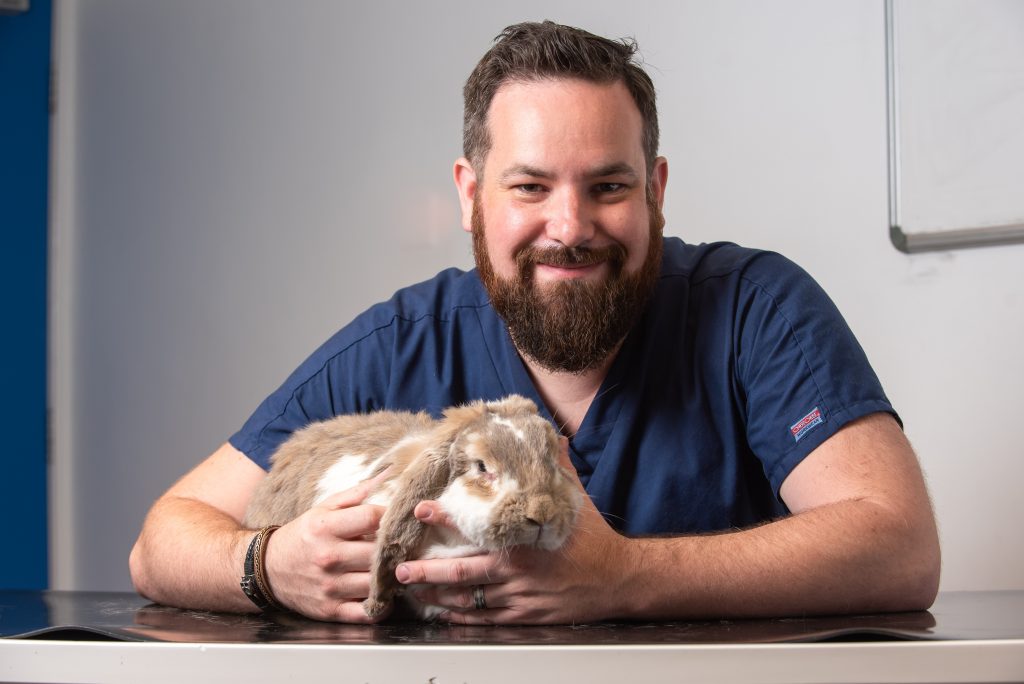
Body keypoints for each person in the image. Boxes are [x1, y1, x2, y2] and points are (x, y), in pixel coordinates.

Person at [129, 21, 940, 625]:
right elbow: (162, 541)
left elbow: (900, 547)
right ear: (470, 195)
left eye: (609, 186)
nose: (570, 224)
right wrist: (266, 565)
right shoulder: (404, 343)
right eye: (529, 188)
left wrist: (625, 576)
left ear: (656, 189)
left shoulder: (757, 310)